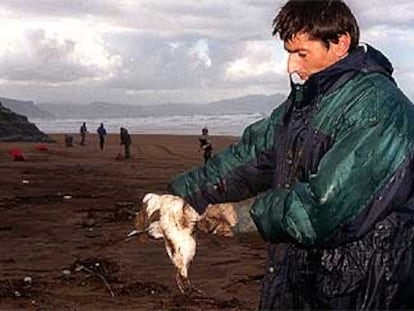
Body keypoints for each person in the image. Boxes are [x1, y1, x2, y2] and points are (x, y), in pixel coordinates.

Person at [166, 1, 414, 309]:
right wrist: (179, 197)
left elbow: (322, 210)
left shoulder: (378, 109)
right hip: (304, 276)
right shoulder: (308, 102)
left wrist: (239, 217)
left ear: (340, 43)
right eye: (288, 52)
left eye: (301, 54)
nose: (291, 67)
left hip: (366, 285)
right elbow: (249, 157)